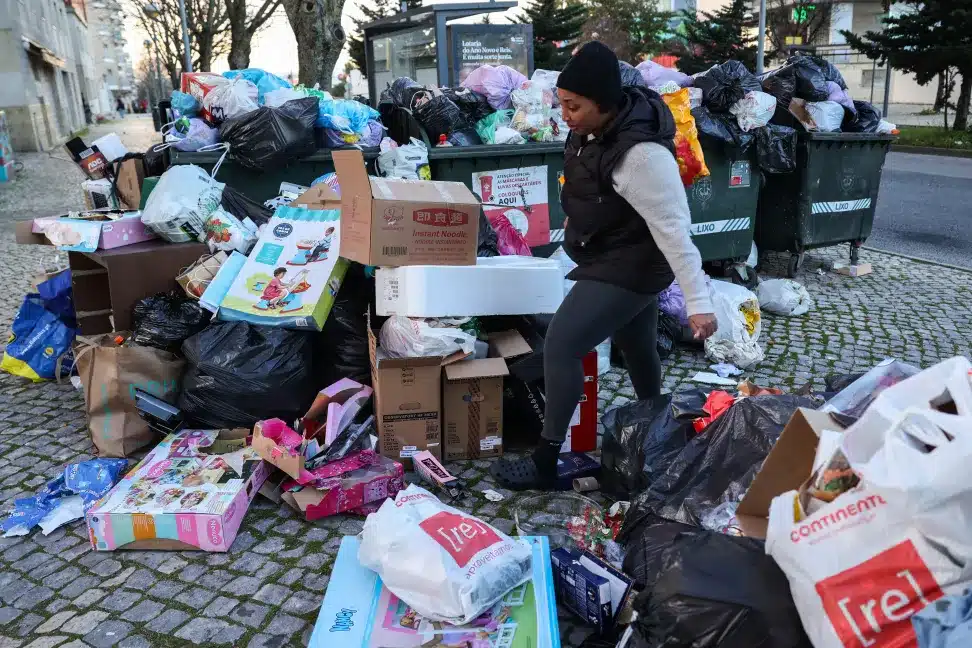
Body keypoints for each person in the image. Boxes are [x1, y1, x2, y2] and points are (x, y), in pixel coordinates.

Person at [490, 42, 718, 490]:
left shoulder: (642, 157)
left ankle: (545, 461)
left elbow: (675, 229)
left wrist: (699, 302)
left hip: (634, 262)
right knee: (636, 346)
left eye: (574, 106)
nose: (566, 115)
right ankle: (658, 434)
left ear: (604, 103)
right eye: (562, 104)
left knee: (562, 344)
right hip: (612, 250)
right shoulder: (594, 132)